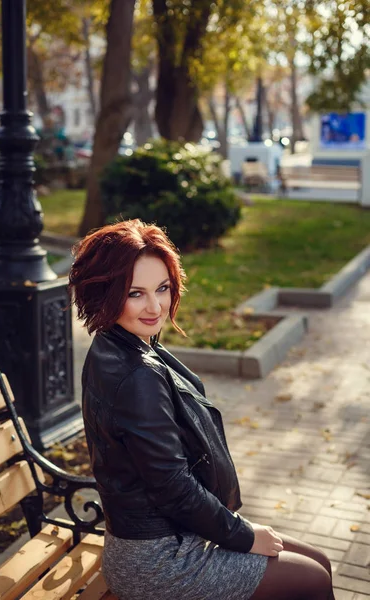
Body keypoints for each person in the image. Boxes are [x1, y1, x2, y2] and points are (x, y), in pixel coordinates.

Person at [69, 219, 335, 600]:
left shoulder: (119, 344)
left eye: (162, 288)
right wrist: (243, 535)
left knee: (319, 563)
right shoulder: (135, 375)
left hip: (170, 533)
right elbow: (173, 487)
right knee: (312, 579)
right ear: (105, 294)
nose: (155, 306)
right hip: (158, 561)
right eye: (135, 293)